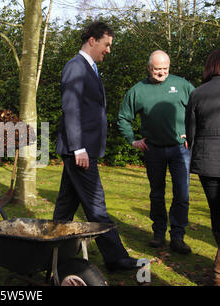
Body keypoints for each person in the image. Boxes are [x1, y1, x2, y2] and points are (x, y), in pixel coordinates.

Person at [54, 21, 138, 272]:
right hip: (80, 152)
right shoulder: (76, 67)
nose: (109, 50)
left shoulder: (87, 68)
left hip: (81, 151)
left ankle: (49, 252)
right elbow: (71, 107)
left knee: (64, 209)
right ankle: (115, 258)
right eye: (106, 44)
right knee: (96, 204)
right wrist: (79, 147)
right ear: (92, 40)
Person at [117, 50, 195, 254]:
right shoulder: (137, 90)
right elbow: (123, 117)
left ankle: (178, 237)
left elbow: (198, 110)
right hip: (153, 151)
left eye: (165, 69)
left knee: (182, 194)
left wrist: (192, 134)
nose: (161, 73)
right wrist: (132, 140)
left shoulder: (183, 86)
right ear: (149, 68)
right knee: (157, 194)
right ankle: (158, 234)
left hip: (180, 150)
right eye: (157, 69)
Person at [185, 49, 220, 285]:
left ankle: (218, 273)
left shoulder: (197, 94)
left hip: (208, 164)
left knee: (217, 216)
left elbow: (191, 134)